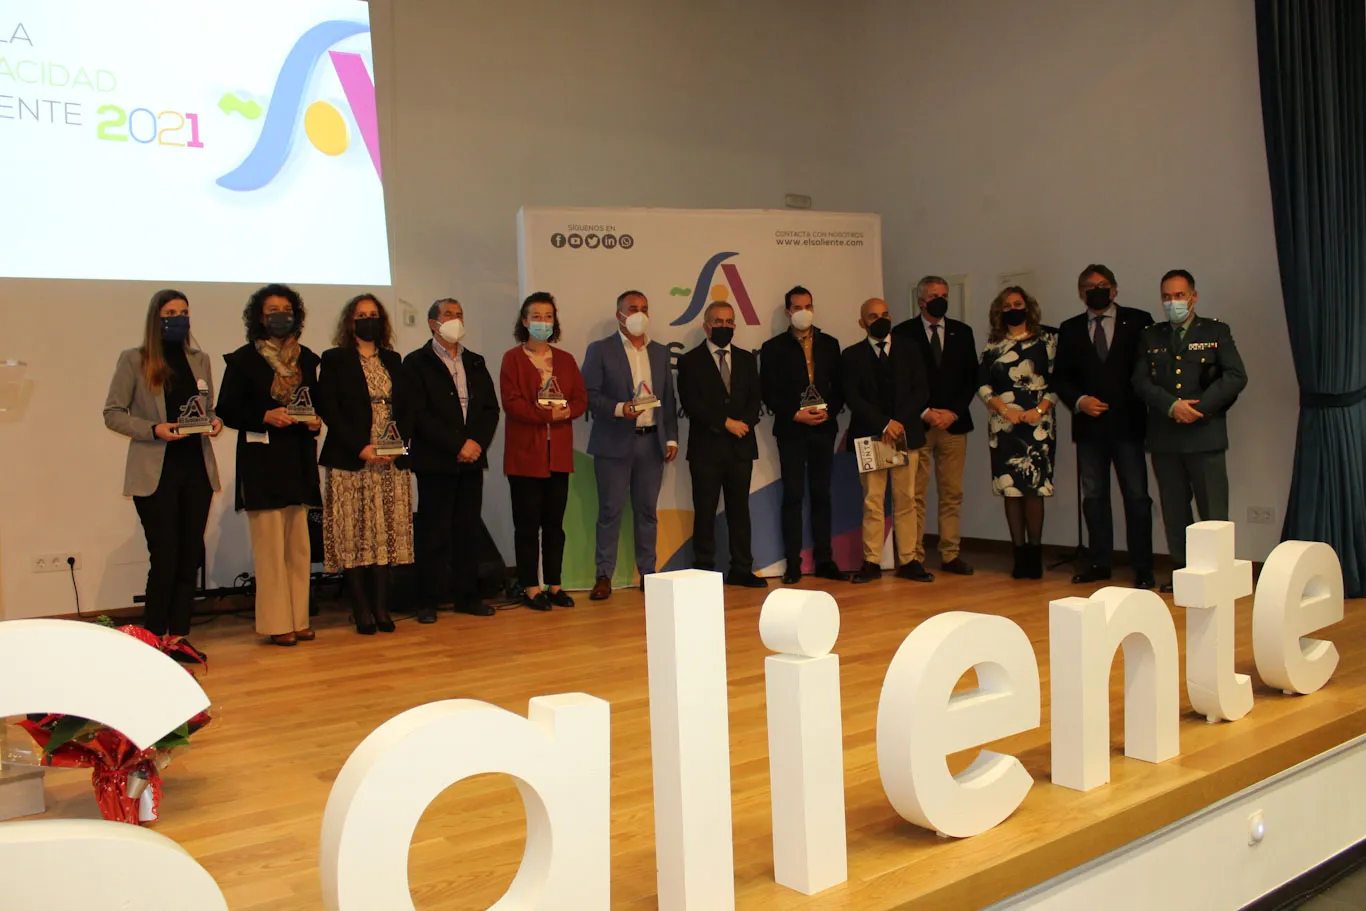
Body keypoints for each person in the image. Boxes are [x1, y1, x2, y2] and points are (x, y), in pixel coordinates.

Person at [102, 290, 222, 657]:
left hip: (195, 469)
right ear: (156, 318)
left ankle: (179, 636)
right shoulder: (134, 360)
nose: (178, 318)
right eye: (171, 312)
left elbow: (208, 408)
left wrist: (214, 422)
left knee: (189, 556)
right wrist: (154, 429)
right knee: (165, 555)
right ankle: (152, 640)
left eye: (184, 312)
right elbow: (113, 412)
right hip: (156, 472)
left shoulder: (199, 360)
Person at [216, 284, 323, 646]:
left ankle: (299, 618)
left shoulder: (308, 359)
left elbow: (317, 404)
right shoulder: (243, 359)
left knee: (299, 547)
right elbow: (227, 409)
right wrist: (264, 415)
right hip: (262, 461)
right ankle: (278, 624)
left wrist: (316, 421)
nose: (281, 315)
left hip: (297, 458)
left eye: (287, 308)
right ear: (259, 317)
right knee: (270, 549)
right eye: (272, 309)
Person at [1133, 269, 1246, 593]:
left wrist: (1199, 408)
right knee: (1174, 509)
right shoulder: (1150, 336)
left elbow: (1236, 376)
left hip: (1205, 433)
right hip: (1166, 436)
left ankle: (1219, 574)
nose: (1173, 302)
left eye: (1179, 295)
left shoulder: (1215, 331)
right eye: (1167, 297)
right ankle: (1183, 572)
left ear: (1193, 296)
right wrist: (1172, 406)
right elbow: (1140, 381)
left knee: (1213, 510)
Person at [1053, 264, 1156, 589]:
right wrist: (1080, 400)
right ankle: (1099, 561)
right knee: (1094, 497)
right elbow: (1060, 378)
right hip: (1089, 429)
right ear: (1081, 293)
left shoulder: (1139, 321)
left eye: (1103, 285)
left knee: (1137, 497)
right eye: (1089, 286)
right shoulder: (1069, 329)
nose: (1096, 290)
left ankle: (1143, 566)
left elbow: (1149, 369)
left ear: (1114, 289)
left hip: (1128, 425)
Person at [316, 294, 413, 635]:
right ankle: (361, 610)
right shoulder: (335, 359)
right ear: (350, 321)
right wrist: (361, 447)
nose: (367, 319)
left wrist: (398, 446)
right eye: (361, 315)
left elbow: (406, 407)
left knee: (384, 536)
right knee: (354, 537)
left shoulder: (393, 359)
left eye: (373, 315)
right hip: (352, 460)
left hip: (389, 462)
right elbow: (329, 407)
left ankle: (382, 608)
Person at [403, 299, 501, 622]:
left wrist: (475, 444)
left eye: (459, 314)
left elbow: (489, 409)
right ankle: (427, 600)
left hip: (471, 461)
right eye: (448, 315)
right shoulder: (416, 362)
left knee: (467, 530)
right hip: (436, 462)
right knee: (434, 533)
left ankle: (466, 596)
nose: (455, 320)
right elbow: (417, 415)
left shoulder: (475, 362)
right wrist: (457, 444)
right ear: (433, 323)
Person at [582, 290, 679, 601]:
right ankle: (603, 575)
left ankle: (648, 574)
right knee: (610, 511)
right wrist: (620, 408)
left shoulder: (661, 352)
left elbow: (668, 399)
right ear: (619, 315)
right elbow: (589, 395)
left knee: (647, 512)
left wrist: (671, 438)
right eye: (633, 309)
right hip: (614, 444)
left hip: (651, 443)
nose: (640, 314)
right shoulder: (600, 350)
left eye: (644, 308)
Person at [499, 292, 588, 610]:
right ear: (524, 321)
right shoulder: (512, 358)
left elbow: (580, 398)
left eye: (548, 316)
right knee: (526, 526)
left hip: (558, 455)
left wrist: (568, 412)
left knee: (554, 526)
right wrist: (547, 415)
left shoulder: (564, 359)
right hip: (525, 455)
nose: (542, 322)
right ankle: (530, 587)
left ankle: (554, 585)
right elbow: (512, 403)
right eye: (536, 316)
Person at [760, 286, 848, 584]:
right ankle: (793, 564)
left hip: (824, 428)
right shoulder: (773, 347)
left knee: (822, 495)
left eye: (808, 305)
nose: (803, 312)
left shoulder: (830, 344)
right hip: (792, 430)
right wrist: (793, 413)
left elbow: (840, 387)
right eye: (797, 307)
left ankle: (825, 560)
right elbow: (769, 390)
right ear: (788, 312)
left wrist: (830, 411)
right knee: (794, 496)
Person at [892, 276, 978, 577]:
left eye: (944, 294)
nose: (940, 299)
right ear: (921, 301)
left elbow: (971, 378)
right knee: (914, 493)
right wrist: (926, 411)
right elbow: (900, 382)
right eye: (933, 295)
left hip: (954, 425)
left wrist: (952, 412)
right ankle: (913, 555)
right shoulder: (902, 334)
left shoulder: (963, 332)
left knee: (952, 492)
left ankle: (950, 553)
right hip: (918, 425)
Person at [676, 301, 766, 588]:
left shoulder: (746, 359)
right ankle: (703, 570)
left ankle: (742, 568)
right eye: (718, 321)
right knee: (705, 511)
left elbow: (755, 399)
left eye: (729, 322)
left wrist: (745, 423)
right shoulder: (690, 361)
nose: (724, 327)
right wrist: (725, 422)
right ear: (706, 325)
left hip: (741, 447)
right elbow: (692, 403)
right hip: (706, 449)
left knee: (740, 511)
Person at [842, 298, 930, 583]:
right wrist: (884, 423)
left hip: (906, 434)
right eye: (872, 316)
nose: (879, 319)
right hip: (871, 436)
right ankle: (872, 561)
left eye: (884, 314)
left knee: (907, 499)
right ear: (862, 323)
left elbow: (921, 390)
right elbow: (853, 396)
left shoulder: (911, 349)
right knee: (873, 501)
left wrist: (899, 422)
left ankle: (909, 560)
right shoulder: (852, 355)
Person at [978, 286, 1059, 580]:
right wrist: (1004, 410)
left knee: (1035, 489)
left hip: (1039, 425)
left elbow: (1057, 381)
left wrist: (1038, 411)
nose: (1013, 308)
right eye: (1006, 305)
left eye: (1017, 303)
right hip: (1005, 426)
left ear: (1028, 306)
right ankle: (1019, 554)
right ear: (999, 312)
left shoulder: (1048, 340)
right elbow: (983, 384)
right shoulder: (993, 345)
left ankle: (1035, 555)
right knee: (1011, 490)